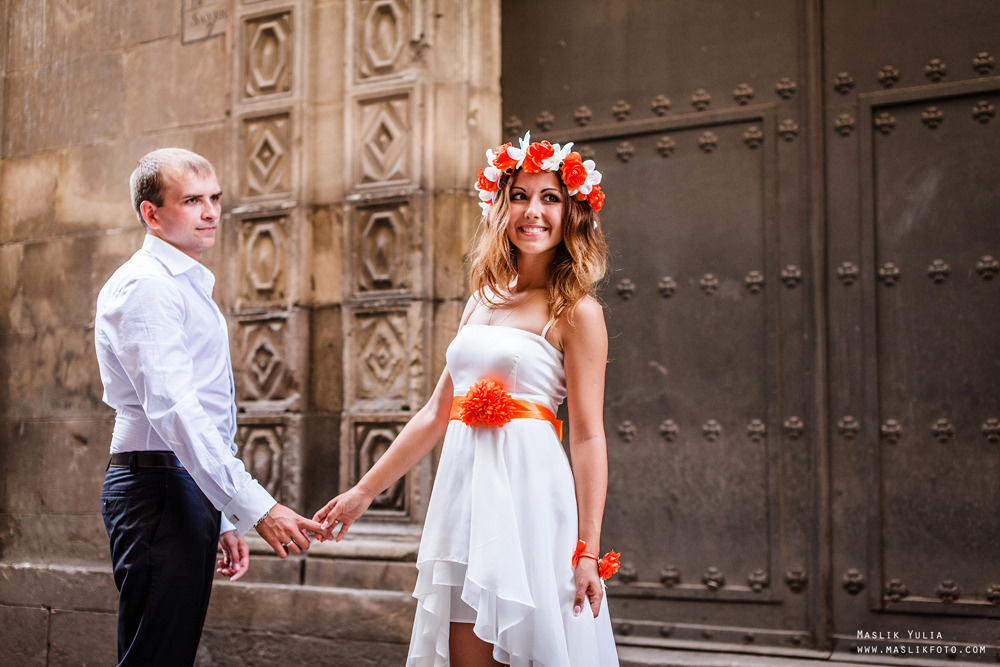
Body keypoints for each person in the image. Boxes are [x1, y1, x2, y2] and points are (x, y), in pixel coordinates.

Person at [314, 132, 620, 666]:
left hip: (531, 497)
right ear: (500, 207)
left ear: (573, 213)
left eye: (550, 198)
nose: (533, 211)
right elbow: (436, 414)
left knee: (532, 645)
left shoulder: (578, 311)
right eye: (520, 196)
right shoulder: (480, 301)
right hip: (467, 499)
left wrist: (588, 549)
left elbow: (589, 434)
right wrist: (363, 492)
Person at [95, 147, 323, 666]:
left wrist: (220, 516)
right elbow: (174, 411)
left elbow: (205, 410)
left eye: (215, 198)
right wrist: (255, 506)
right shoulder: (147, 287)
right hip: (157, 486)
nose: (211, 212)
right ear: (151, 214)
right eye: (192, 200)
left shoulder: (183, 283)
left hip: (179, 485)